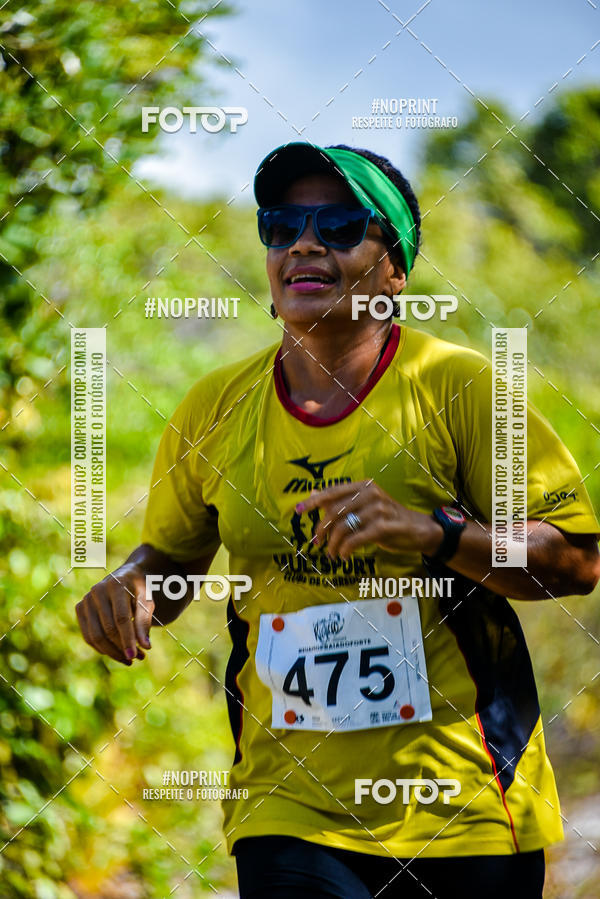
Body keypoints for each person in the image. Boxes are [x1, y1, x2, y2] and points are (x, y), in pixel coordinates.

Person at [77, 142, 600, 898]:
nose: (304, 244)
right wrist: (129, 584)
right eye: (281, 225)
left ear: (395, 268)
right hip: (285, 802)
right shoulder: (214, 407)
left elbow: (576, 561)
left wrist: (439, 534)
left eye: (340, 225)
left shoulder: (461, 389)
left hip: (461, 804)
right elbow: (172, 559)